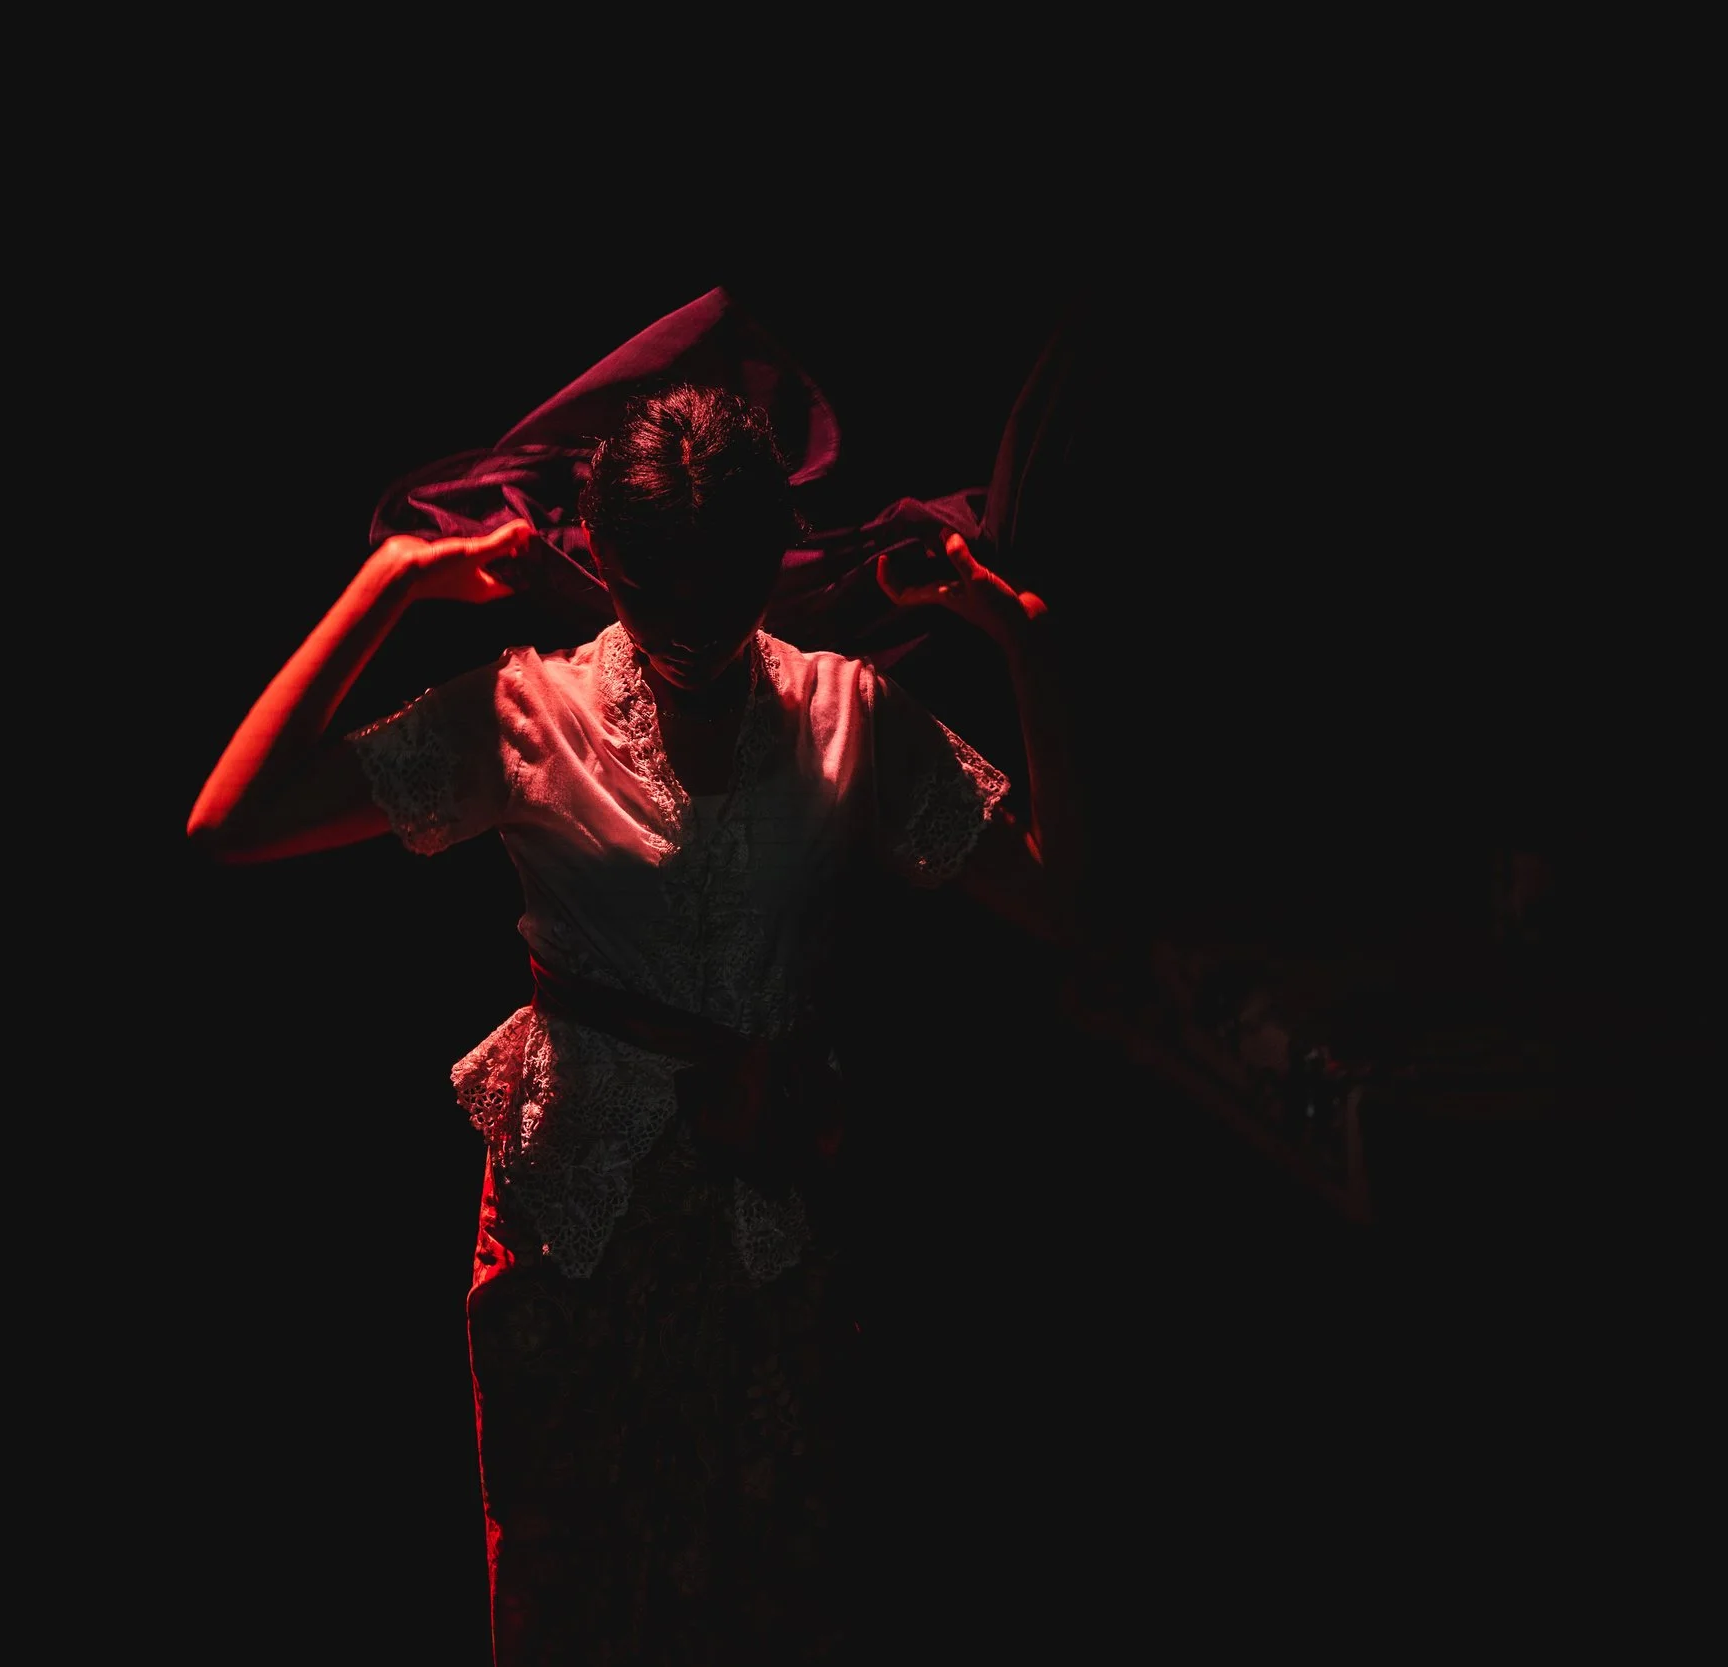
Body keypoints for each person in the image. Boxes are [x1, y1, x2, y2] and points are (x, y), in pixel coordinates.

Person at [186, 374, 1080, 1663]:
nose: (692, 626)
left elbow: (1063, 905)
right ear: (603, 560)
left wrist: (1023, 638)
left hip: (770, 1220)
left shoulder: (848, 714)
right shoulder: (528, 711)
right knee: (577, 1598)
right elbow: (232, 819)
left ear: (771, 557)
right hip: (574, 1230)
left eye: (722, 586)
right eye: (655, 588)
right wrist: (391, 585)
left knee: (770, 1587)